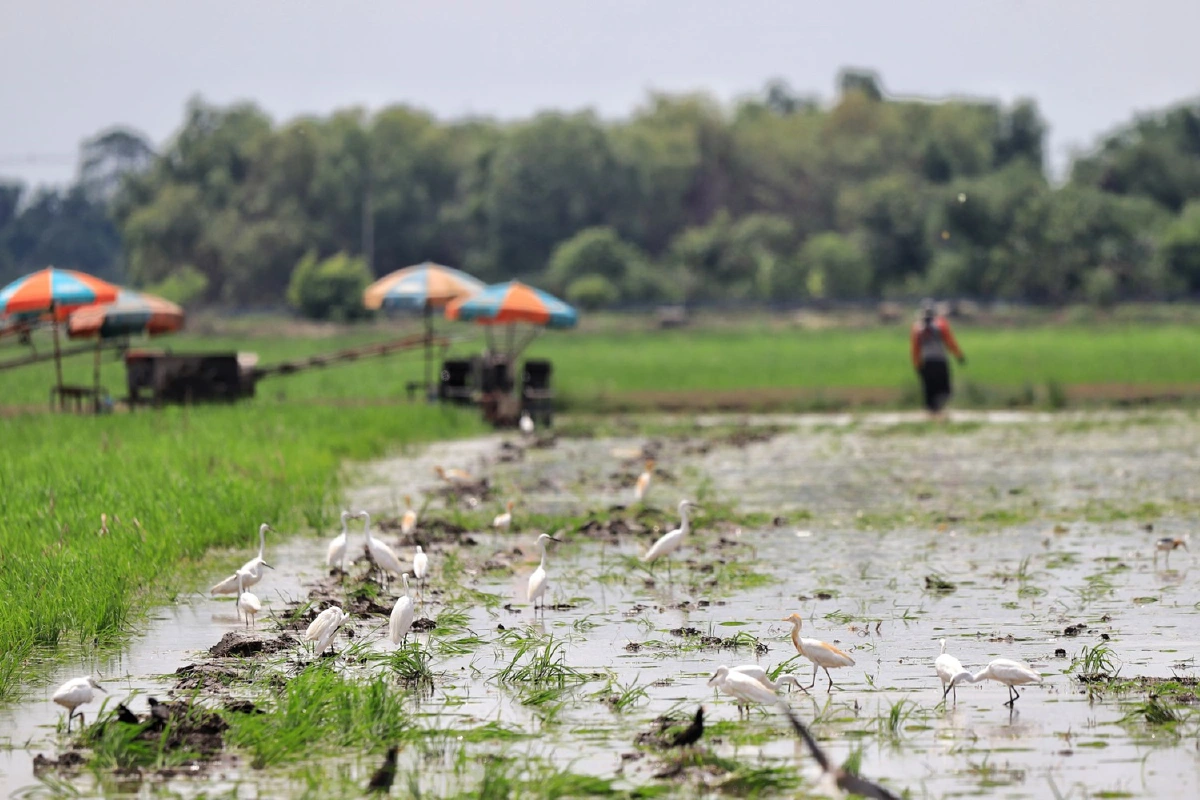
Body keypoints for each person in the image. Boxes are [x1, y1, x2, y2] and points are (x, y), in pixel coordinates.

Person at [910, 300, 965, 418]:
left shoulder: (917, 328)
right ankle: (940, 412)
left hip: (927, 362)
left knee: (929, 389)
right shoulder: (941, 325)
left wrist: (916, 364)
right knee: (944, 388)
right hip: (940, 360)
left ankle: (932, 414)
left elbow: (915, 348)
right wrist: (958, 355)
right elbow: (950, 342)